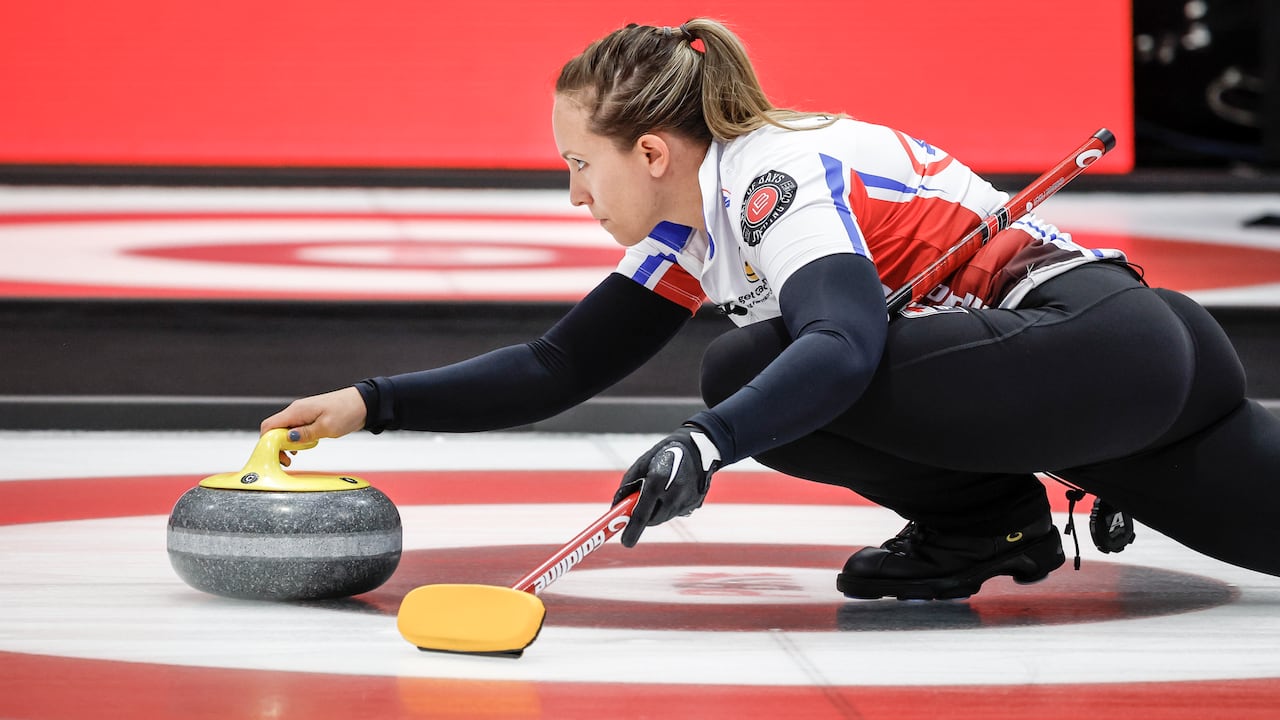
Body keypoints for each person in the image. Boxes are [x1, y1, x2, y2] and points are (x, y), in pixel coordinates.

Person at [261, 19, 1280, 601]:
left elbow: (842, 344)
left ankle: (984, 523)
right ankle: (991, 529)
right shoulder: (690, 233)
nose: (573, 193)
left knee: (744, 374)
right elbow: (557, 366)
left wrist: (702, 447)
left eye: (579, 164)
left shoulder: (769, 181)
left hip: (1093, 350)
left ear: (649, 154)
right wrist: (370, 400)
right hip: (1128, 362)